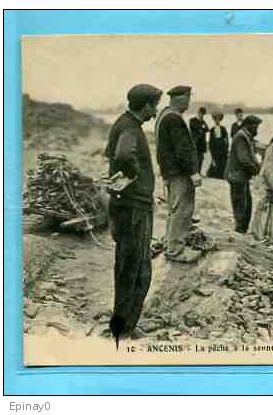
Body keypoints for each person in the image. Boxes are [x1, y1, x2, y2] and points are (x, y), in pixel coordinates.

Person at [104, 83, 162, 344]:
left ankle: (122, 323)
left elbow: (112, 155)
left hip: (124, 206)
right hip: (134, 207)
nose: (156, 109)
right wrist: (134, 178)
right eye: (155, 104)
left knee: (127, 265)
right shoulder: (130, 127)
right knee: (136, 268)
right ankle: (124, 327)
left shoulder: (122, 123)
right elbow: (124, 155)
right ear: (146, 105)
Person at [155, 85, 202, 263]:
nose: (188, 104)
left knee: (173, 210)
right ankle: (176, 251)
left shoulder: (163, 115)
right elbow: (182, 149)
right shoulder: (174, 118)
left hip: (169, 172)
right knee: (182, 211)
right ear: (180, 99)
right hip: (179, 173)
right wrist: (193, 172)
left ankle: (170, 246)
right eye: (188, 100)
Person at [225, 115, 262, 233]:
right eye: (256, 127)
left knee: (246, 204)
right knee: (241, 205)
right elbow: (244, 159)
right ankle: (240, 229)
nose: (257, 130)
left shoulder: (246, 137)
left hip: (242, 176)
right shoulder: (241, 137)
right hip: (237, 176)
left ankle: (242, 229)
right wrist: (257, 170)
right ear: (249, 125)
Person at [206, 112, 229, 179]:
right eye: (216, 119)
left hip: (222, 149)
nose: (217, 121)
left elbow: (226, 139)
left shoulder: (223, 129)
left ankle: (223, 175)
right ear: (214, 120)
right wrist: (211, 148)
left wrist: (226, 148)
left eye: (218, 119)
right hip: (215, 149)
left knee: (223, 163)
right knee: (215, 162)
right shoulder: (212, 130)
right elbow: (210, 141)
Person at [189, 106, 209, 173]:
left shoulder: (203, 121)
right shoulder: (192, 120)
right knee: (194, 159)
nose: (202, 115)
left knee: (201, 159)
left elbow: (207, 129)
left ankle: (199, 172)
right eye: (201, 113)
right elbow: (194, 127)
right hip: (195, 143)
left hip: (201, 144)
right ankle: (195, 172)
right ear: (198, 113)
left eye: (203, 114)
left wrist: (201, 128)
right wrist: (201, 128)